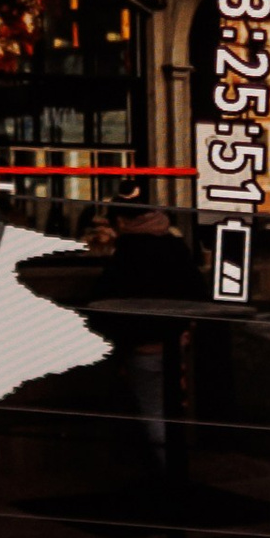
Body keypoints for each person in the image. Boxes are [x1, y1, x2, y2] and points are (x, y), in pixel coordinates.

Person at [84, 193, 202, 477]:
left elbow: (106, 299)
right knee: (173, 407)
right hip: (176, 342)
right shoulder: (175, 245)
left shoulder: (127, 251)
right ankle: (178, 466)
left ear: (123, 221)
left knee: (151, 408)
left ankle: (166, 471)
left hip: (143, 345)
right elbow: (197, 290)